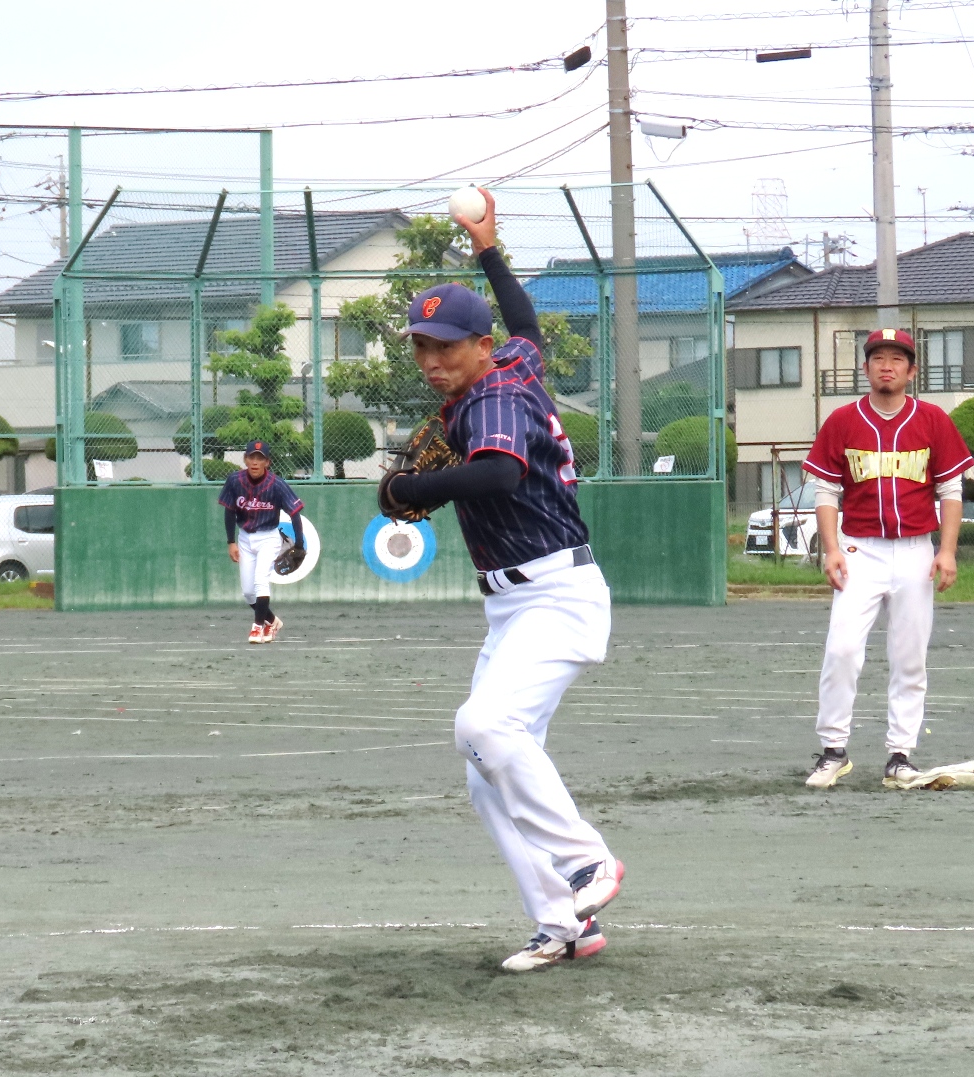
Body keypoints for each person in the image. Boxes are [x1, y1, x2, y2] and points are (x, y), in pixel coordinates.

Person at [379, 188, 622, 973]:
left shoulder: (490, 397)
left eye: (447, 346)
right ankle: (563, 923)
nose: (433, 360)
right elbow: (526, 324)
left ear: (477, 348)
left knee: (483, 726)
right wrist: (487, 247)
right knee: (487, 771)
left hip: (556, 595)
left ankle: (586, 860)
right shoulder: (511, 361)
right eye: (422, 346)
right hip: (516, 604)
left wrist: (411, 489)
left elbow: (497, 473)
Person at [800, 328, 973, 790]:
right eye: (878, 358)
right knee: (841, 649)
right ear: (866, 368)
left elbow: (951, 489)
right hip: (860, 550)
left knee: (909, 656)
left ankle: (900, 755)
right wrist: (831, 548)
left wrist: (947, 551)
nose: (887, 366)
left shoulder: (933, 420)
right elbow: (826, 490)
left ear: (912, 371)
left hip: (916, 550)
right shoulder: (843, 420)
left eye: (897, 358)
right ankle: (833, 750)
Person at [219, 440, 304, 644]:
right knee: (249, 593)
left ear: (267, 462)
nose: (255, 462)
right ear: (245, 459)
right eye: (252, 457)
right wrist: (231, 541)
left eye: (260, 458)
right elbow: (229, 511)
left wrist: (300, 545)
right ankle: (272, 621)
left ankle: (257, 628)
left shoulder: (277, 484)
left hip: (268, 537)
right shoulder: (235, 481)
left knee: (260, 581)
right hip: (245, 538)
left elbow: (295, 513)